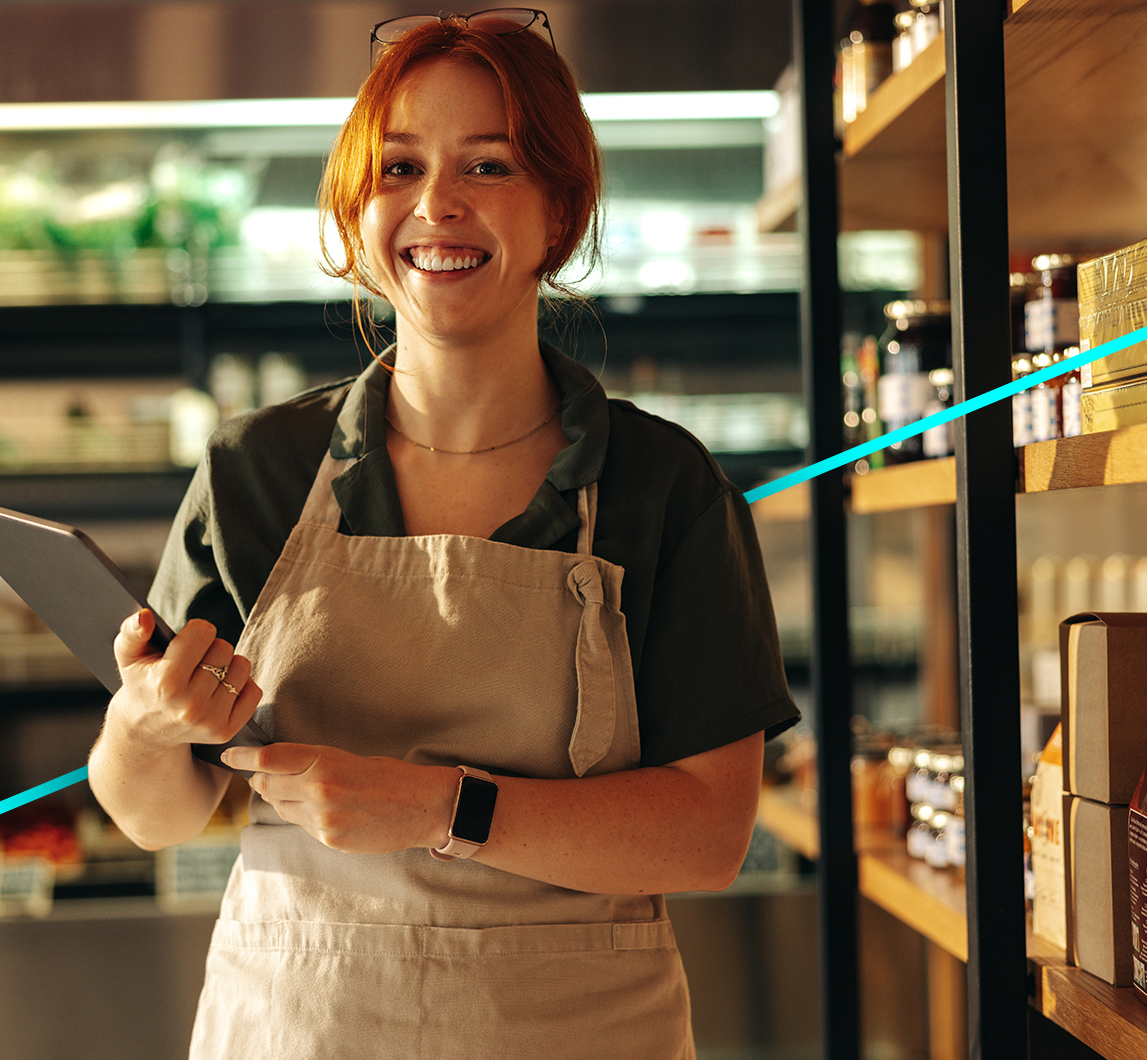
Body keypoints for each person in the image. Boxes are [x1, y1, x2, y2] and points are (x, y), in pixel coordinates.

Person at [88, 10, 799, 1058]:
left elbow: (707, 832)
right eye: (399, 167)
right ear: (354, 211)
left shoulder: (662, 485)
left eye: (490, 165)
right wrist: (145, 726)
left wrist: (442, 805)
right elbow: (155, 811)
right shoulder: (256, 473)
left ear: (559, 211)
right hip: (302, 1026)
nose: (437, 205)